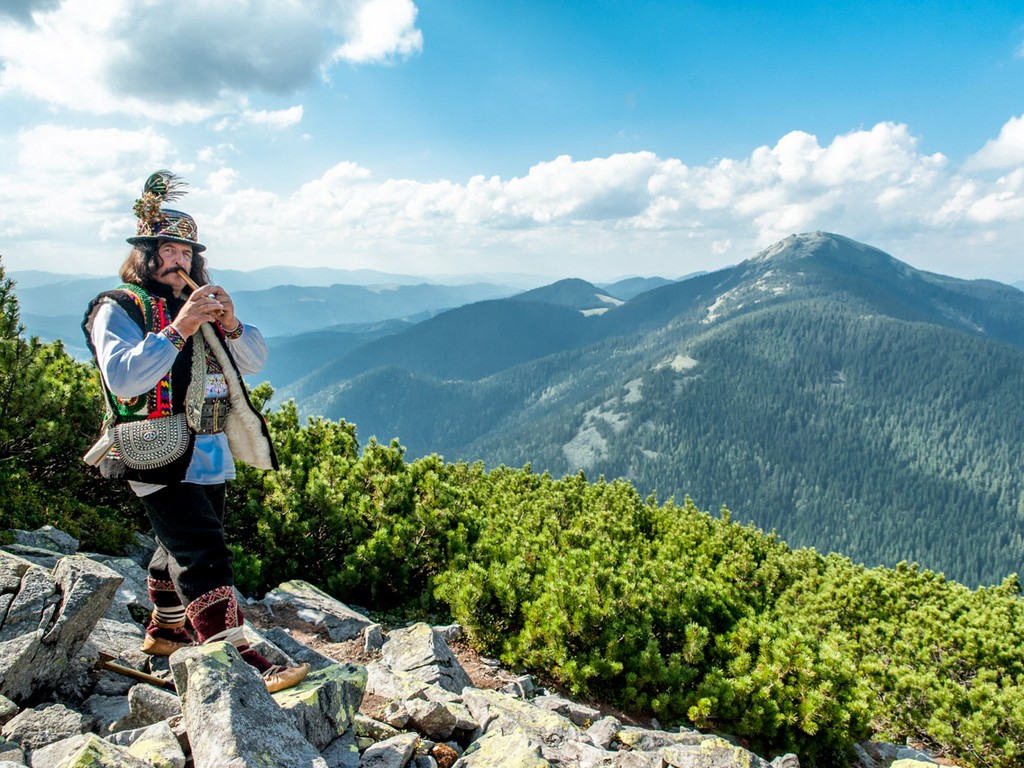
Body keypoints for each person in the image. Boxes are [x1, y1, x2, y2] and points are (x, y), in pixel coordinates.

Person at [82, 170, 309, 693]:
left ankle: (166, 632)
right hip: (152, 447)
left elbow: (252, 359)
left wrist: (229, 322)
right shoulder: (117, 307)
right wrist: (180, 326)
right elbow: (124, 377)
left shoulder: (201, 307)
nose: (179, 261)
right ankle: (235, 656)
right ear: (144, 254)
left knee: (178, 541)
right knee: (203, 549)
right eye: (167, 250)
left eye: (186, 252)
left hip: (207, 446)